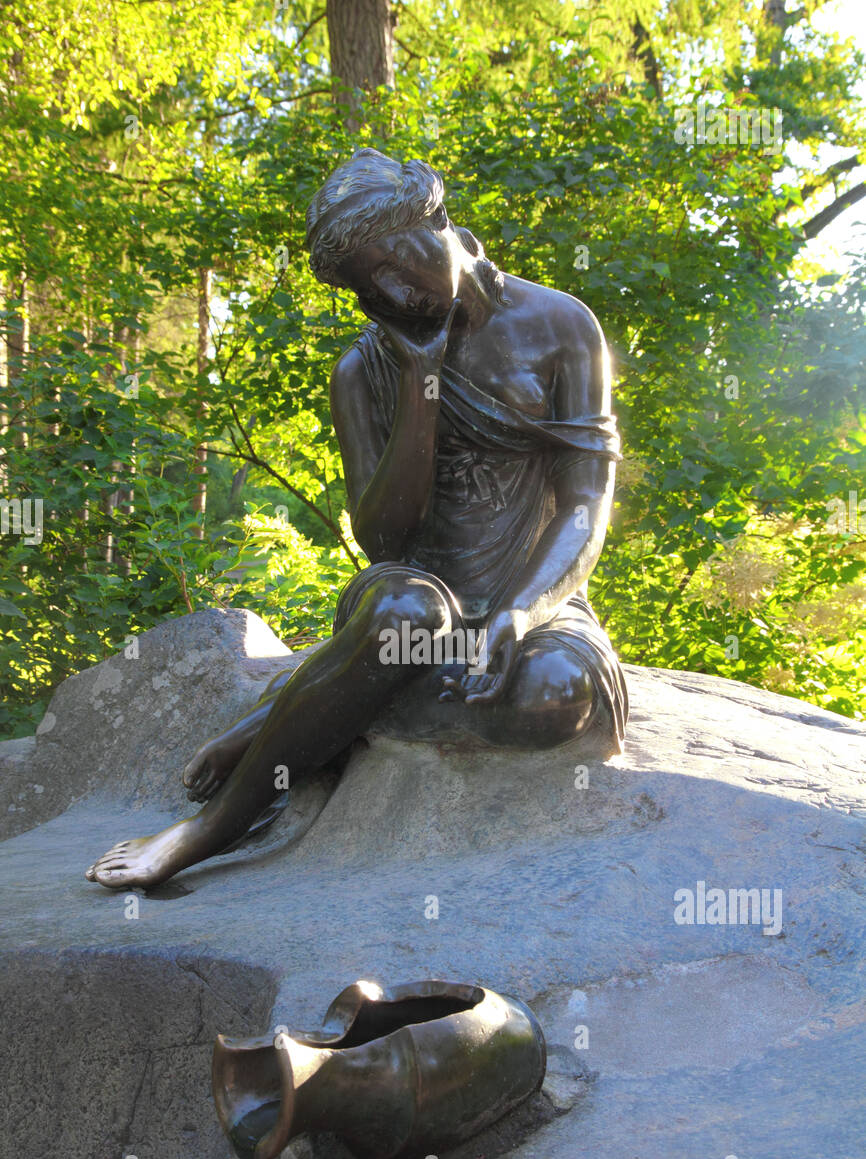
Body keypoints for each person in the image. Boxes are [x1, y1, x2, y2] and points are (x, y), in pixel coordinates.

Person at [86, 149, 627, 889]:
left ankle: (305, 708)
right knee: (407, 616)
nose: (395, 290)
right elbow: (384, 539)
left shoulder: (563, 326)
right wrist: (419, 381)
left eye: (397, 261)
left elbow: (587, 502)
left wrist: (523, 614)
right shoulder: (363, 369)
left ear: (438, 220)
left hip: (535, 596)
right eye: (371, 284)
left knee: (552, 697)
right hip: (413, 595)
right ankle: (212, 827)